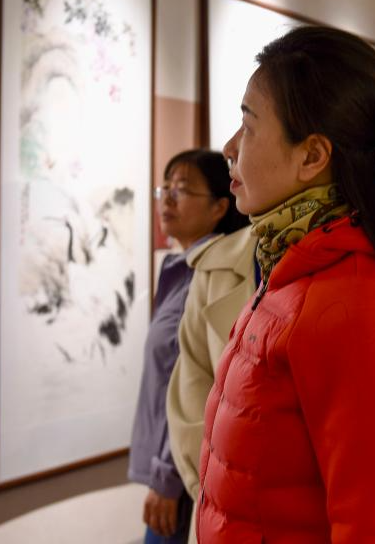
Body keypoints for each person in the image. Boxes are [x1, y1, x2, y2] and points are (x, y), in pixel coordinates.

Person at [195, 26, 375, 542]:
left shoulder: (356, 302)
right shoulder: (295, 267)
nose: (229, 147)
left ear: (313, 156)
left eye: (248, 124)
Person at [128, 149, 248, 544]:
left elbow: (195, 382)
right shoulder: (178, 268)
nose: (167, 199)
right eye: (164, 188)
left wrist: (167, 474)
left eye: (181, 189)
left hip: (182, 473)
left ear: (219, 207)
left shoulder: (213, 277)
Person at [166, 223, 258, 544]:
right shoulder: (215, 266)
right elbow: (191, 387)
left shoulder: (352, 253)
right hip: (219, 513)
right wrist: (217, 492)